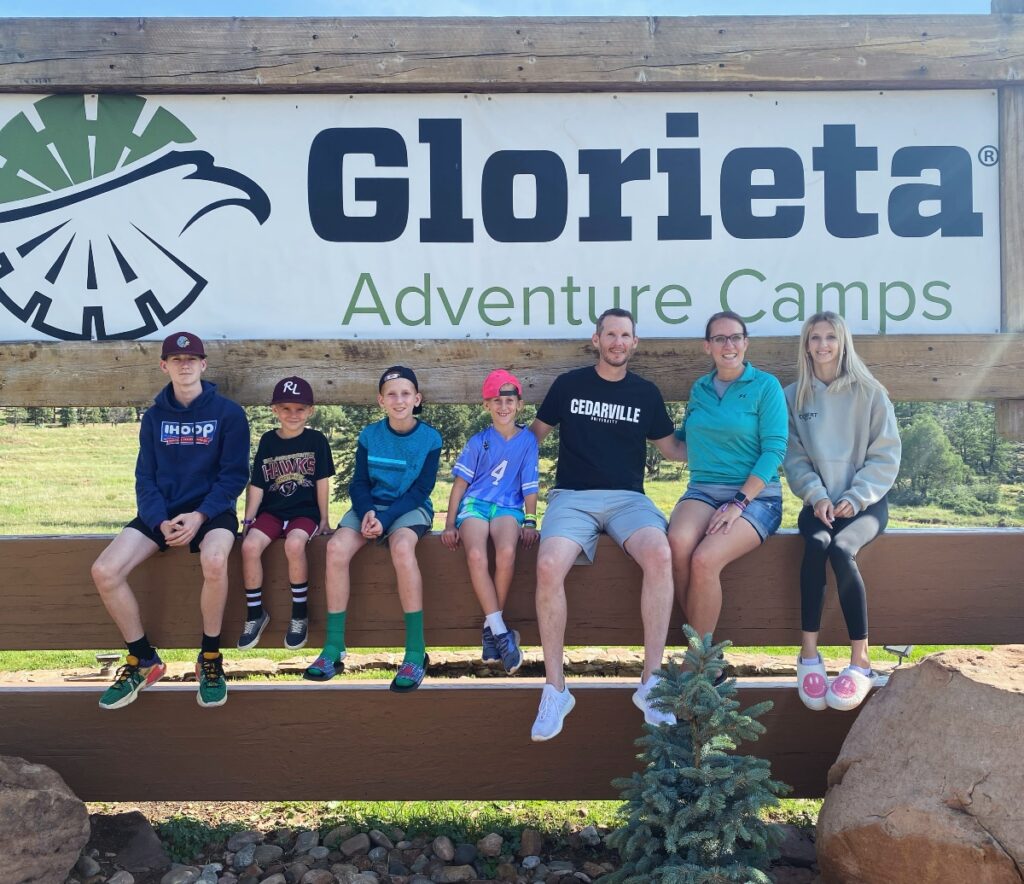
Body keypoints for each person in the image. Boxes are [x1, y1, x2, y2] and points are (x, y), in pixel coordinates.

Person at [528, 307, 686, 741]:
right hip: (572, 498)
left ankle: (652, 683)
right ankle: (556, 688)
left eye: (626, 335)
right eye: (610, 334)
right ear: (596, 339)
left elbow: (673, 449)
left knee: (660, 553)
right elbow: (532, 437)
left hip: (628, 500)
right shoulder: (569, 385)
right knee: (546, 567)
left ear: (635, 343)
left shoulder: (646, 393)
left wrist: (730, 445)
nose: (618, 342)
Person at [91, 331, 250, 709]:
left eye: (192, 359)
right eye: (177, 360)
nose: (185, 365)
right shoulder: (154, 417)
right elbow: (144, 477)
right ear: (165, 366)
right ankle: (142, 658)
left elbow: (234, 476)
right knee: (104, 571)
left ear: (203, 364)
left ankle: (209, 658)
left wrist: (200, 515)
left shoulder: (229, 414)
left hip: (211, 513)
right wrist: (159, 521)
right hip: (161, 513)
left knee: (214, 561)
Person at [784, 311, 901, 711]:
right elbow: (795, 459)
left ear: (843, 342)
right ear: (806, 346)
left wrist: (856, 495)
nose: (822, 345)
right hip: (817, 505)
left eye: (830, 337)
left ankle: (860, 661)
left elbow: (885, 455)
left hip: (865, 504)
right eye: (814, 338)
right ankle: (809, 656)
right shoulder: (794, 396)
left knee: (840, 551)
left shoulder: (870, 392)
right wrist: (817, 496)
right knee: (816, 546)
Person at [304, 366, 442, 693]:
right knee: (336, 549)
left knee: (402, 548)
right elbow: (359, 483)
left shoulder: (430, 438)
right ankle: (334, 648)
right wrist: (367, 511)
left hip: (408, 508)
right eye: (391, 394)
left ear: (417, 399)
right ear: (381, 400)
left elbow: (420, 491)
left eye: (406, 393)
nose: (399, 400)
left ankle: (414, 651)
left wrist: (386, 519)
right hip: (370, 507)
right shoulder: (369, 435)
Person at [668, 311, 787, 653]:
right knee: (676, 543)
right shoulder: (700, 388)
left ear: (746, 343)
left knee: (705, 559)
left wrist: (739, 503)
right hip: (703, 489)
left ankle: (699, 664)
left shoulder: (765, 386)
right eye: (719, 338)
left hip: (756, 498)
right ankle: (703, 648)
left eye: (735, 337)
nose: (728, 344)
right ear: (708, 347)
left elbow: (774, 450)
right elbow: (683, 443)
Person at [441, 369, 540, 674]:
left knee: (507, 553)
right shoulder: (479, 441)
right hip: (476, 504)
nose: (503, 406)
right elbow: (459, 485)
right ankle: (500, 632)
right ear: (486, 405)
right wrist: (449, 523)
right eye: (496, 400)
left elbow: (530, 485)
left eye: (509, 400)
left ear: (519, 404)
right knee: (475, 554)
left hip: (509, 506)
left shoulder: (528, 441)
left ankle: (490, 629)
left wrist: (531, 521)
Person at [237, 376, 335, 652]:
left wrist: (324, 518)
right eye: (286, 408)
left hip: (305, 512)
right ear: (275, 410)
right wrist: (248, 518)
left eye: (300, 409)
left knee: (294, 544)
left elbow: (322, 482)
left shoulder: (316, 440)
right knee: (250, 546)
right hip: (273, 511)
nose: (293, 414)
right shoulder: (269, 441)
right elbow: (257, 483)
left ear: (311, 411)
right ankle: (255, 613)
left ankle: (299, 613)